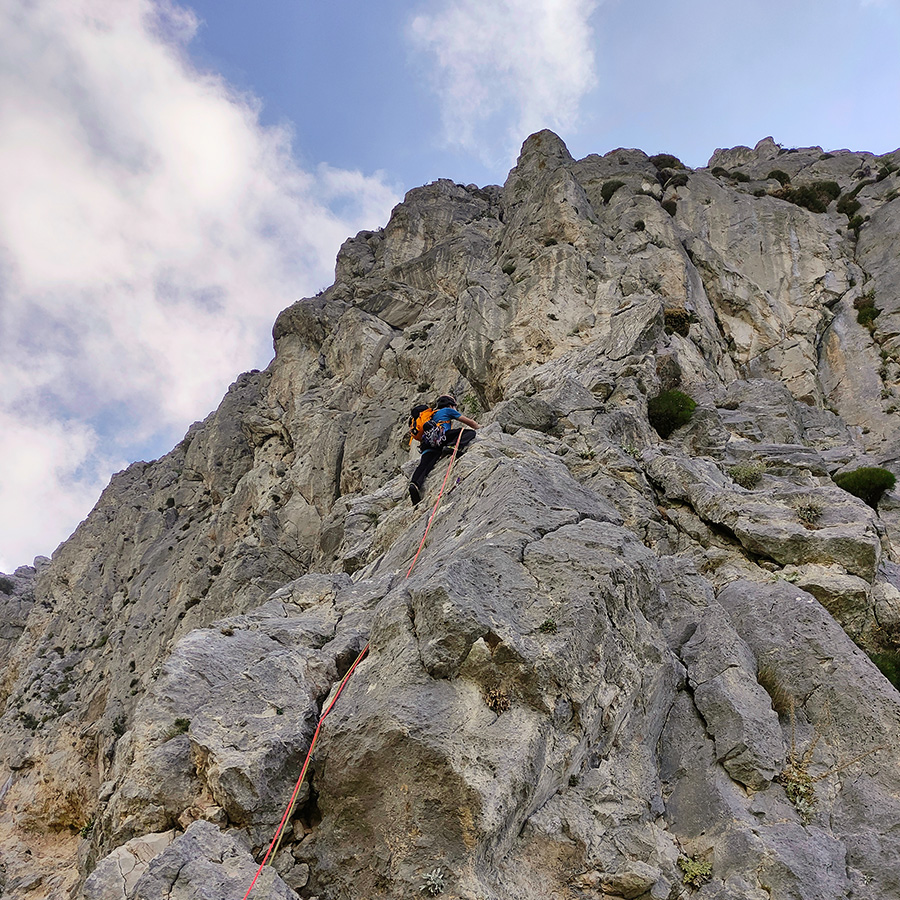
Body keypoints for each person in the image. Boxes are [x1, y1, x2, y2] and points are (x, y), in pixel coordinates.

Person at [409, 394, 479, 504]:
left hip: (428, 444)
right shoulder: (448, 410)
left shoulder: (431, 415)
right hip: (443, 438)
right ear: (451, 405)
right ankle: (451, 446)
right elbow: (470, 423)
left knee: (424, 465)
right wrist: (481, 428)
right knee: (468, 432)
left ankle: (415, 484)